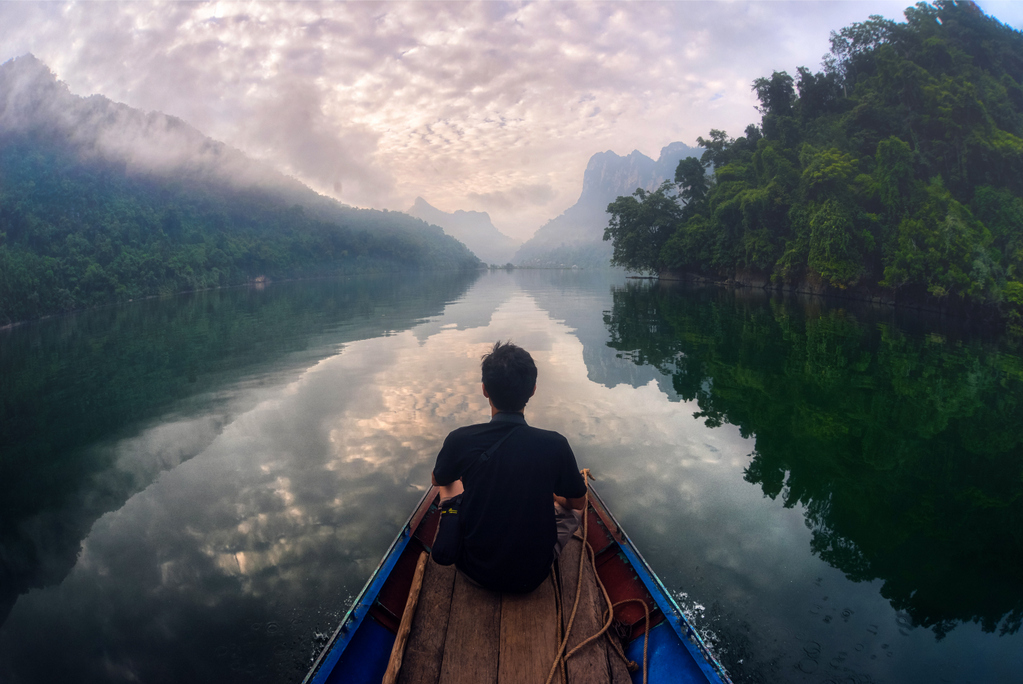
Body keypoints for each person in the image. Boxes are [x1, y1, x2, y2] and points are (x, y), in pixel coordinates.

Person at [431, 341, 588, 594]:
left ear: (484, 390)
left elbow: (436, 480)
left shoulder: (459, 439)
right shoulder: (555, 444)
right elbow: (578, 503)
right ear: (533, 390)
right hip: (533, 576)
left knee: (447, 484)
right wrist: (553, 496)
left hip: (474, 571)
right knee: (572, 514)